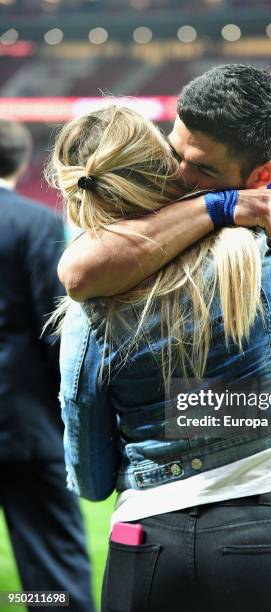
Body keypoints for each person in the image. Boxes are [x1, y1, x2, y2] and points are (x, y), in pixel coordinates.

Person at [57, 65, 271, 612]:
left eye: (201, 168)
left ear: (264, 173)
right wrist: (221, 202)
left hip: (178, 526)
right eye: (174, 155)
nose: (177, 176)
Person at [0, 119, 95, 612]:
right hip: (24, 426)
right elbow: (54, 330)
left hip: (22, 425)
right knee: (52, 573)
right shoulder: (34, 223)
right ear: (19, 162)